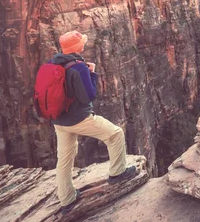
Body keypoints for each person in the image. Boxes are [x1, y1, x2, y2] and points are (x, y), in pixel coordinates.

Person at [51, 30, 137, 213]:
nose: (84, 43)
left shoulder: (52, 63)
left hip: (59, 120)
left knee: (64, 159)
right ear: (77, 47)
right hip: (78, 118)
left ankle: (66, 199)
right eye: (81, 42)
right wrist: (92, 74)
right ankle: (117, 173)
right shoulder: (79, 67)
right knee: (115, 134)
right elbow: (88, 96)